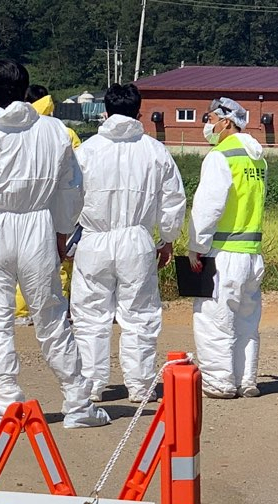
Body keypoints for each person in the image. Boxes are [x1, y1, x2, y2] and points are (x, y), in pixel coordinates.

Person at [0, 59, 110, 430]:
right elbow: (71, 189)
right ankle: (77, 401)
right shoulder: (54, 131)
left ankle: (7, 400)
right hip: (38, 226)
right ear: (26, 92)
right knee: (52, 317)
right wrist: (61, 231)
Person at [70, 83, 186, 403]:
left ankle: (92, 384)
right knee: (139, 314)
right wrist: (167, 238)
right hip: (137, 239)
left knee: (91, 315)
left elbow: (67, 198)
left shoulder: (87, 151)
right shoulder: (155, 150)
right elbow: (173, 200)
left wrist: (64, 234)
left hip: (94, 240)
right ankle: (140, 384)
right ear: (140, 114)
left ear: (104, 112)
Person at [188, 96, 267, 399]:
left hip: (222, 254)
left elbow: (208, 207)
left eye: (208, 118)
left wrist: (196, 246)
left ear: (226, 121)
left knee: (214, 320)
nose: (206, 125)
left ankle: (220, 383)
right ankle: (246, 380)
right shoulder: (257, 158)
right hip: (251, 255)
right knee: (247, 320)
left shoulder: (220, 156)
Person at [13, 84, 79, 327]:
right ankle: (54, 313)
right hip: (55, 209)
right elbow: (77, 178)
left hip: (19, 209)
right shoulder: (64, 132)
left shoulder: (14, 129)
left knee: (22, 262)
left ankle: (21, 312)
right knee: (56, 264)